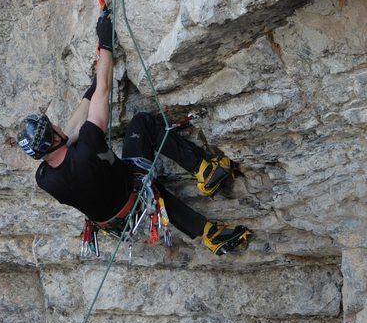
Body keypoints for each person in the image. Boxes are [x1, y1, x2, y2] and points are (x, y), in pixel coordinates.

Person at [17, 14, 253, 256]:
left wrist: (92, 90)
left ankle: (209, 233)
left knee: (146, 188)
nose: (57, 124)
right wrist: (106, 44)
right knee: (142, 125)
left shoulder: (44, 177)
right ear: (54, 139)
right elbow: (104, 91)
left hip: (121, 221)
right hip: (133, 195)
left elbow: (69, 133)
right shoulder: (87, 144)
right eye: (52, 126)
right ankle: (206, 169)